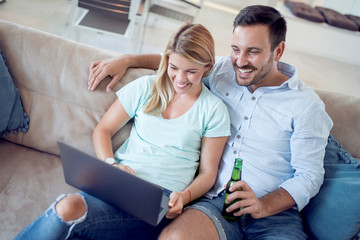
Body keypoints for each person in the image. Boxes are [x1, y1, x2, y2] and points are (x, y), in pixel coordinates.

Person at [87, 5, 333, 240]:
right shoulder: (225, 69)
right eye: (236, 49)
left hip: (274, 215)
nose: (240, 60)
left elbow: (309, 175)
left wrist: (262, 205)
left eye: (253, 51)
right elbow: (183, 63)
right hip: (216, 203)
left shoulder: (307, 106)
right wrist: (128, 60)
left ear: (278, 51)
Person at [14, 23, 231, 240]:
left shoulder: (213, 110)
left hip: (161, 200)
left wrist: (184, 197)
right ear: (166, 61)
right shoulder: (147, 87)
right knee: (70, 212)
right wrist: (111, 165)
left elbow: (208, 173)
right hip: (119, 185)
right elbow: (103, 130)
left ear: (208, 66)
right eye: (174, 68)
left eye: (191, 71)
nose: (180, 79)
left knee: (69, 208)